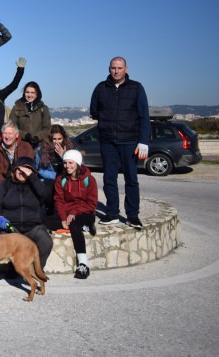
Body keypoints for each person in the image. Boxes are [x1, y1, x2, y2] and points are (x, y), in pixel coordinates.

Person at [90, 56, 150, 229]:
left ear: (126, 69)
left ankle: (132, 216)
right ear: (109, 69)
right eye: (113, 68)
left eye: (120, 68)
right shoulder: (101, 88)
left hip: (130, 141)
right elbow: (95, 110)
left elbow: (144, 117)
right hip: (108, 141)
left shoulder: (136, 88)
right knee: (109, 178)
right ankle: (112, 213)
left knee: (131, 179)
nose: (116, 71)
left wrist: (143, 141)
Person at [0, 156, 52, 270]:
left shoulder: (36, 186)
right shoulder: (6, 184)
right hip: (11, 228)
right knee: (0, 242)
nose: (21, 172)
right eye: (19, 169)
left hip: (33, 228)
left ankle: (36, 269)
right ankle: (15, 267)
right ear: (14, 170)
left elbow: (46, 195)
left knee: (46, 241)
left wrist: (32, 177)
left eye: (26, 170)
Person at [54, 150, 98, 279]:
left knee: (74, 225)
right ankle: (85, 226)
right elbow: (59, 200)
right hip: (67, 214)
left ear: (77, 163)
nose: (67, 166)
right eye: (65, 163)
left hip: (84, 211)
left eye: (70, 163)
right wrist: (63, 218)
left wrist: (74, 212)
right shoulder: (61, 180)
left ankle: (83, 264)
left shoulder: (89, 180)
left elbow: (92, 203)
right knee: (45, 220)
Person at [0, 121, 34, 200]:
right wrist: (7, 187)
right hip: (2, 182)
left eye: (10, 133)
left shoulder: (26, 147)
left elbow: (29, 169)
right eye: (5, 133)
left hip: (23, 182)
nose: (7, 136)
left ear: (17, 135)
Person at [8, 81, 51, 147]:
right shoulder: (16, 107)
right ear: (24, 93)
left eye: (32, 92)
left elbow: (47, 128)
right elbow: (11, 127)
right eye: (27, 92)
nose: (29, 95)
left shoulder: (43, 109)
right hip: (21, 145)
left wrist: (37, 137)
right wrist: (25, 135)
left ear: (37, 94)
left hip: (39, 146)